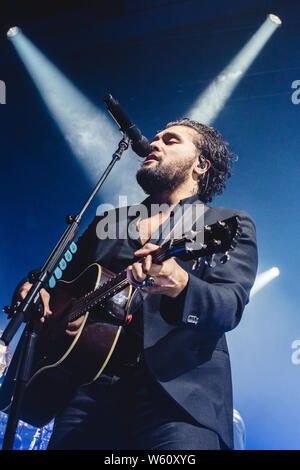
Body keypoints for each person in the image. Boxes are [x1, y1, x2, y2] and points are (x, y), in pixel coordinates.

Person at [17, 118, 258, 450]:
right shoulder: (110, 221)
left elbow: (228, 307)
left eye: (171, 140)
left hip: (176, 399)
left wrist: (181, 284)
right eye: (155, 138)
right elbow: (62, 281)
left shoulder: (223, 225)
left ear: (201, 165)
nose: (154, 143)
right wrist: (40, 290)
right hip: (87, 392)